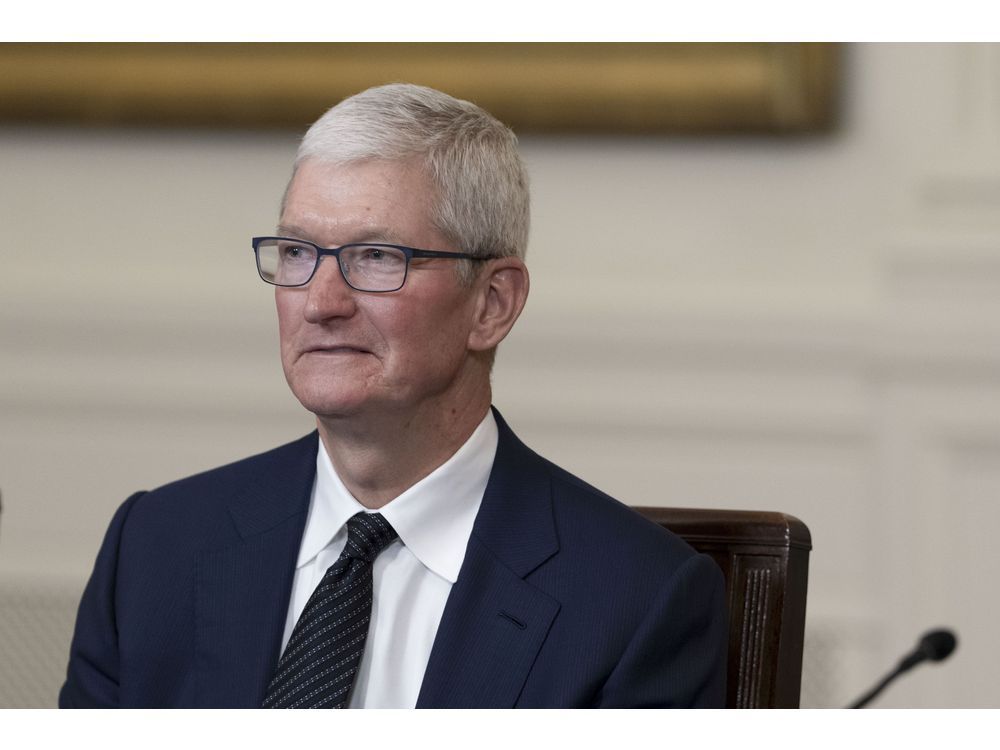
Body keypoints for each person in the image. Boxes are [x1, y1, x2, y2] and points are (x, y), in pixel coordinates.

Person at [60, 83, 728, 708]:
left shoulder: (636, 601)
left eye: (377, 257)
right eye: (297, 252)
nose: (320, 302)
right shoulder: (156, 546)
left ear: (492, 304)